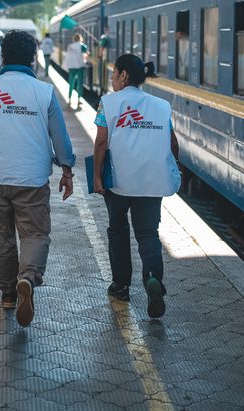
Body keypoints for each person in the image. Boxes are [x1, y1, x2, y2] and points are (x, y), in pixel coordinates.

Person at [0, 31, 76, 327]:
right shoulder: (44, 92)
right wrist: (67, 170)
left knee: (0, 235)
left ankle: (8, 293)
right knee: (34, 234)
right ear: (33, 58)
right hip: (33, 178)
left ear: (3, 56)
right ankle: (27, 277)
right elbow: (59, 137)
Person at [92, 54, 181, 319]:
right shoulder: (161, 106)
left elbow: (101, 142)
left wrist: (97, 176)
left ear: (123, 75)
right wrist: (174, 166)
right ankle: (152, 278)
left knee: (118, 230)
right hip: (151, 181)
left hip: (118, 182)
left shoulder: (108, 103)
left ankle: (121, 286)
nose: (111, 79)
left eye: (113, 73)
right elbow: (172, 142)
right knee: (148, 233)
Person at [62, 33, 88, 108]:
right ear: (80, 38)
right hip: (79, 67)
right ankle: (79, 100)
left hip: (71, 67)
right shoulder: (83, 46)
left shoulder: (70, 46)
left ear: (74, 39)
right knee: (79, 83)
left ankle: (69, 99)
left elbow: (68, 56)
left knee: (71, 83)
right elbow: (85, 56)